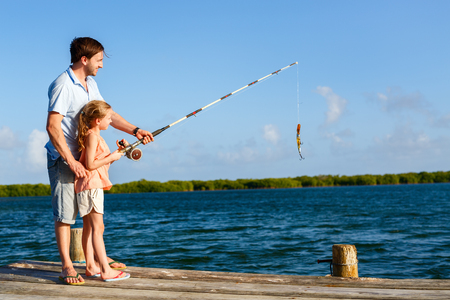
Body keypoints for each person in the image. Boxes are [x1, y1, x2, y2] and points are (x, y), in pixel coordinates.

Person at [45, 37, 153, 285]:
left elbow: (107, 114)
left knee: (89, 216)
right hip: (64, 159)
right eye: (99, 60)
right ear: (85, 59)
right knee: (64, 215)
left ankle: (93, 262)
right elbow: (52, 127)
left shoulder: (90, 84)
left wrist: (135, 130)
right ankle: (67, 266)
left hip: (86, 158)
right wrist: (72, 162)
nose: (101, 65)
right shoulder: (63, 85)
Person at [75, 100, 130, 282]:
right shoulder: (92, 136)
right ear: (97, 120)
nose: (110, 120)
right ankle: (106, 270)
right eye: (108, 118)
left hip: (89, 185)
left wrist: (116, 155)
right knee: (98, 228)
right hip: (91, 186)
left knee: (90, 228)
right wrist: (111, 157)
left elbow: (97, 163)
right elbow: (90, 165)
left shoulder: (94, 136)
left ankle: (91, 267)